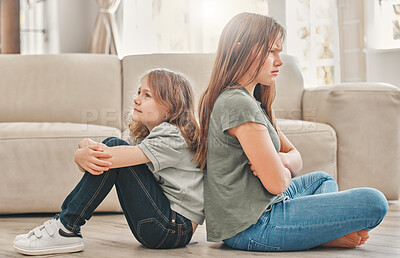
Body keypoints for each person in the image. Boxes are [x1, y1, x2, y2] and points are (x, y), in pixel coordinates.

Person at [194, 12, 388, 252]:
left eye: (279, 51)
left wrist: (282, 160)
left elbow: (295, 157)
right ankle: (321, 234)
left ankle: (314, 232)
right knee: (375, 202)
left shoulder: (252, 101)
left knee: (322, 179)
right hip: (255, 225)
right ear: (238, 50)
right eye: (270, 52)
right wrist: (281, 169)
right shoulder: (237, 103)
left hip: (265, 208)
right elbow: (277, 183)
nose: (279, 61)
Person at [14, 69, 204, 255]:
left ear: (171, 106)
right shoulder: (146, 136)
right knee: (112, 150)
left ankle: (66, 226)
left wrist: (86, 150)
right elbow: (101, 164)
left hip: (173, 229)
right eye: (139, 92)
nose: (137, 99)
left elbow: (110, 155)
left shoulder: (172, 135)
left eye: (147, 95)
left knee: (113, 146)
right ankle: (65, 226)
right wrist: (82, 153)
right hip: (163, 226)